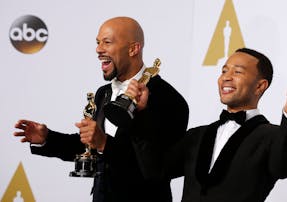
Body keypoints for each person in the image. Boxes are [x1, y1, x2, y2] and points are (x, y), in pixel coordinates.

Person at [13, 16, 189, 202]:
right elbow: (91, 147)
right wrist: (47, 138)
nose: (98, 49)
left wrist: (105, 144)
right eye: (98, 43)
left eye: (107, 42)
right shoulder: (103, 93)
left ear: (133, 49)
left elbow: (156, 167)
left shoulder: (169, 100)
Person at [131, 48, 287, 202]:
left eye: (237, 72)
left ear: (260, 86)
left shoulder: (271, 136)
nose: (226, 77)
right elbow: (155, 170)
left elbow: (283, 167)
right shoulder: (197, 136)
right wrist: (141, 114)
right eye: (224, 71)